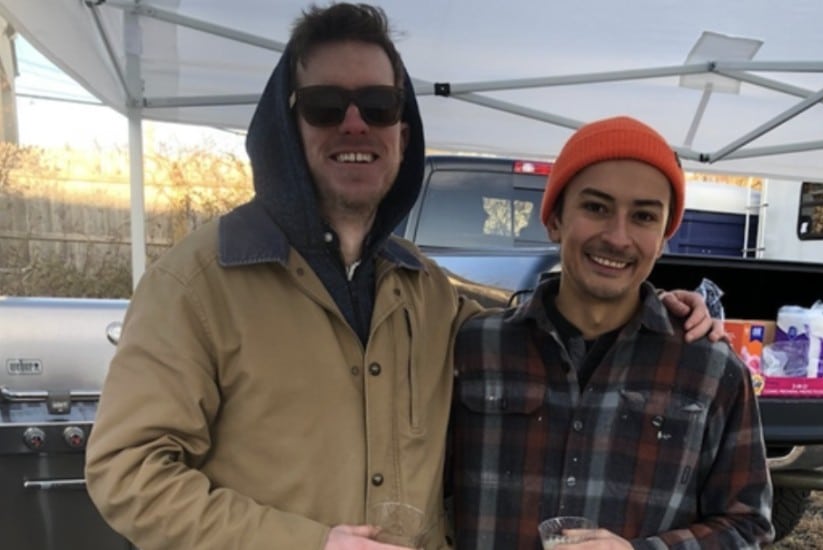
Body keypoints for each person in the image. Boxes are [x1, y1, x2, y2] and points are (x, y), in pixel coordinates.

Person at [84, 4, 719, 550]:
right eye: (326, 106)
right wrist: (308, 544)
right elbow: (128, 471)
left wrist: (655, 305)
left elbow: (551, 322)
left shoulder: (428, 291)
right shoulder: (199, 283)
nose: (354, 124)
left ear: (402, 130)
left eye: (379, 105)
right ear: (288, 124)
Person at [451, 116, 774, 549]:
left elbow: (748, 526)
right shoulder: (474, 349)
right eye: (596, 207)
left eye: (643, 216)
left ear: (662, 239)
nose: (618, 237)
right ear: (554, 220)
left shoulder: (711, 369)